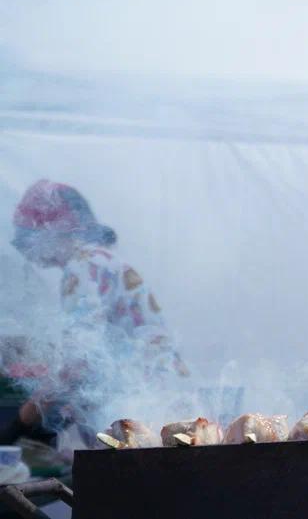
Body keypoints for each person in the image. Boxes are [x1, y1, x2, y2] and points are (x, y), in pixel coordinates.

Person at [4, 179, 187, 444]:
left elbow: (79, 360)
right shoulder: (101, 260)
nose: (29, 252)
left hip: (136, 404)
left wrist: (21, 421)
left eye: (30, 238)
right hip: (162, 394)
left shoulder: (81, 268)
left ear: (53, 231)